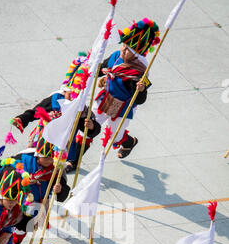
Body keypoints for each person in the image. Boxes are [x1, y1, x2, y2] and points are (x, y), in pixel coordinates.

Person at [0, 130, 72, 244]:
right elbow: (4, 165)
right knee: (7, 223)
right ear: (38, 156)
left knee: (24, 228)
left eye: (51, 158)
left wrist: (60, 189)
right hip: (17, 200)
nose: (49, 161)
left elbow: (64, 190)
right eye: (46, 157)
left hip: (38, 204)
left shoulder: (56, 169)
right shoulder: (24, 158)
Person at [10, 54, 101, 173]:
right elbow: (36, 111)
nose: (71, 100)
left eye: (76, 97)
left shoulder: (80, 110)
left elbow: (93, 130)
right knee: (36, 159)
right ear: (65, 91)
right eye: (70, 95)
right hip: (43, 136)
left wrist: (91, 126)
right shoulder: (55, 100)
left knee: (54, 169)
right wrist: (22, 119)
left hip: (61, 144)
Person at [93, 18, 161, 159]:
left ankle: (129, 142)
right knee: (89, 125)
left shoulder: (140, 72)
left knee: (115, 136)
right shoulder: (117, 56)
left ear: (136, 56)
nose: (123, 49)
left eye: (127, 50)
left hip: (121, 105)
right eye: (123, 46)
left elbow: (141, 100)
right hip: (106, 97)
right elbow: (101, 69)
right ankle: (73, 160)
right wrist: (91, 70)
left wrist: (141, 90)